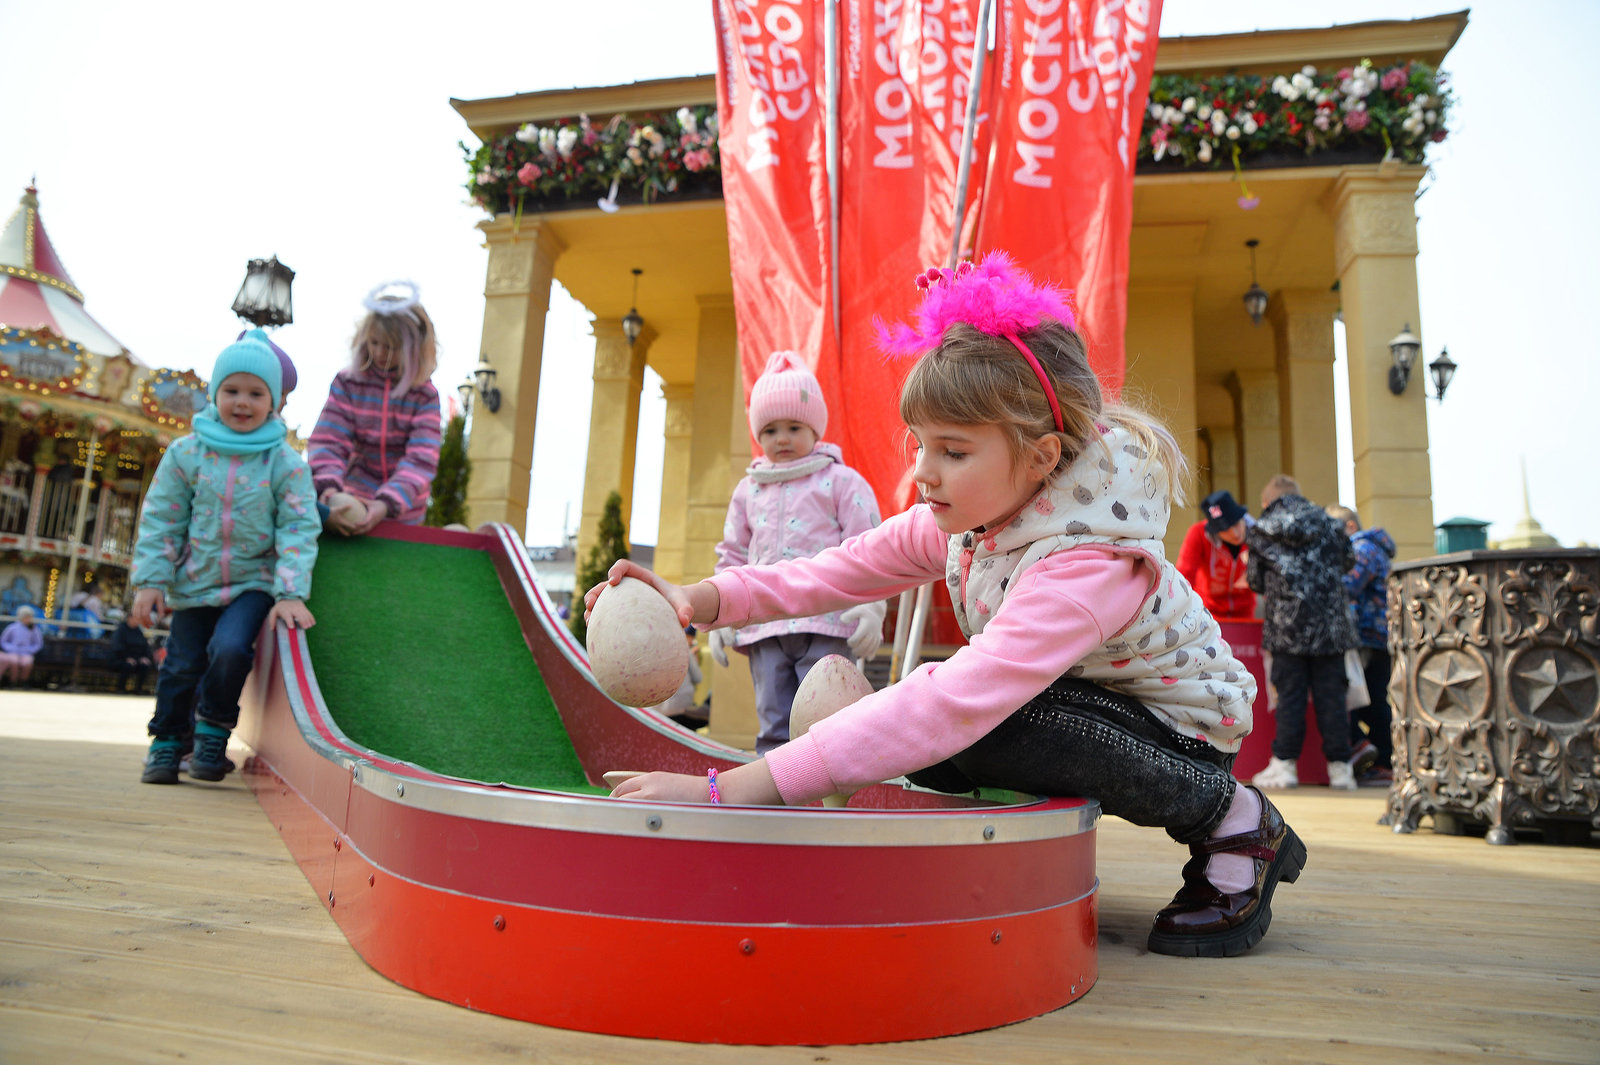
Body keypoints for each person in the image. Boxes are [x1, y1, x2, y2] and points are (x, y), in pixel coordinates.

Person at [588, 253, 1304, 959]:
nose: (921, 472)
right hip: (1086, 706)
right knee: (961, 732)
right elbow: (839, 569)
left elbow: (953, 703)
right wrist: (697, 598)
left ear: (1041, 456)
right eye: (918, 443)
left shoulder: (1087, 565)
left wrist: (727, 792)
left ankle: (1234, 818)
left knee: (974, 719)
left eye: (953, 450)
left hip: (1183, 739)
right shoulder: (973, 517)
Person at [130, 331, 320, 785]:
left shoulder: (285, 463)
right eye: (232, 390)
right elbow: (162, 520)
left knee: (231, 650)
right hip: (195, 581)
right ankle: (166, 742)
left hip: (252, 582)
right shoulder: (187, 453)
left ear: (273, 401)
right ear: (214, 394)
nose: (242, 402)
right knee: (181, 663)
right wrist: (152, 580)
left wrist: (291, 591)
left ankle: (213, 734)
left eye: (256, 393)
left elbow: (297, 527)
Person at [707, 349, 886, 753]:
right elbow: (732, 554)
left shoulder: (841, 482)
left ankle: (826, 796)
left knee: (828, 719)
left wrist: (873, 608)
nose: (782, 438)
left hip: (827, 621)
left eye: (793, 426)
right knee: (773, 717)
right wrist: (720, 613)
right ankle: (774, 800)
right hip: (764, 626)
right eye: (769, 430)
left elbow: (872, 547)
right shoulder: (748, 490)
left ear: (815, 427)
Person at [1246, 475, 1358, 791]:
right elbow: (1348, 562)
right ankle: (1341, 769)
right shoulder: (1332, 524)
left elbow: (1254, 580)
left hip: (1286, 626)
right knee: (1333, 698)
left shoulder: (1262, 529)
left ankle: (1284, 766)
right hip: (1330, 626)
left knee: (1289, 698)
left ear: (1268, 502)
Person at [308, 280, 442, 535]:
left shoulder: (423, 396)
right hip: (352, 495)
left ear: (412, 349)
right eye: (374, 342)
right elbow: (329, 440)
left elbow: (421, 457)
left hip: (403, 511)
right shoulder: (349, 383)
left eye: (391, 347)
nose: (380, 353)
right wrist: (328, 488)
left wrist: (387, 502)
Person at [1327, 504, 1397, 786]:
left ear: (1350, 528)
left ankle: (1380, 759)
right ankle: (1377, 755)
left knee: (1363, 699)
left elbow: (1348, 585)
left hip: (1367, 635)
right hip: (1376, 635)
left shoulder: (1363, 548)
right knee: (1369, 700)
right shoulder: (1371, 548)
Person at [1175, 489, 1256, 619]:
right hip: (1208, 613)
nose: (1235, 533)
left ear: (1242, 517)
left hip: (1245, 613)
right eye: (1225, 529)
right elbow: (1184, 576)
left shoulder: (1258, 534)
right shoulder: (1198, 534)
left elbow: (1271, 575)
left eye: (1235, 523)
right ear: (1215, 531)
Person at [650, 626, 708, 729]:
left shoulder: (650, 652)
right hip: (680, 710)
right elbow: (698, 678)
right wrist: (695, 660)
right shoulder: (684, 649)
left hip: (654, 711)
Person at [110, 613, 156, 694]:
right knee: (127, 665)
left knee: (144, 665)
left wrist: (145, 657)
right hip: (121, 658)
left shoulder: (138, 631)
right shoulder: (120, 630)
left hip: (137, 659)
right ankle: (121, 688)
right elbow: (117, 647)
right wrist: (126, 658)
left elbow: (145, 646)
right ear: (129, 618)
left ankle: (138, 689)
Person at [0, 604, 44, 686]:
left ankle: (22, 681)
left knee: (27, 663)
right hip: (12, 651)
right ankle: (12, 681)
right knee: (14, 662)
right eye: (26, 616)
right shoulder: (12, 627)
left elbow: (38, 643)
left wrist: (30, 650)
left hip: (26, 652)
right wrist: (11, 648)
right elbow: (3, 641)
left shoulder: (34, 629)